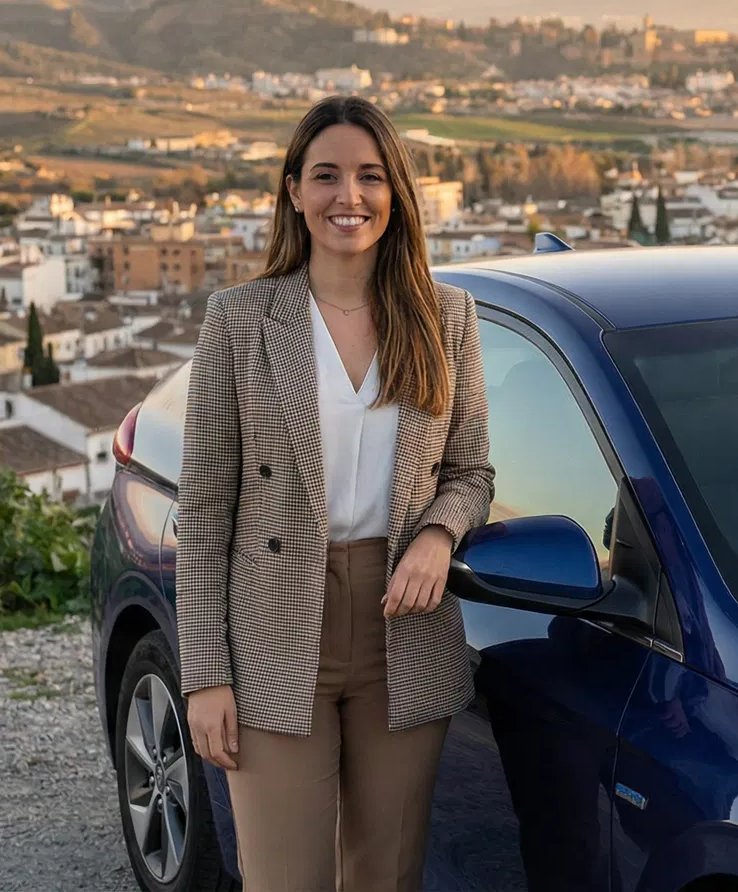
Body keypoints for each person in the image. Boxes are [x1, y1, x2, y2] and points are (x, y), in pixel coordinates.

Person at [175, 95, 495, 892]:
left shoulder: (446, 317)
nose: (348, 196)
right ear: (293, 191)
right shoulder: (240, 320)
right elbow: (205, 513)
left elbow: (471, 472)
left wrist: (438, 535)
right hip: (272, 632)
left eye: (369, 176)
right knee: (286, 879)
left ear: (396, 193)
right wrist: (205, 676)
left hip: (404, 629)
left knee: (387, 876)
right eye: (326, 176)